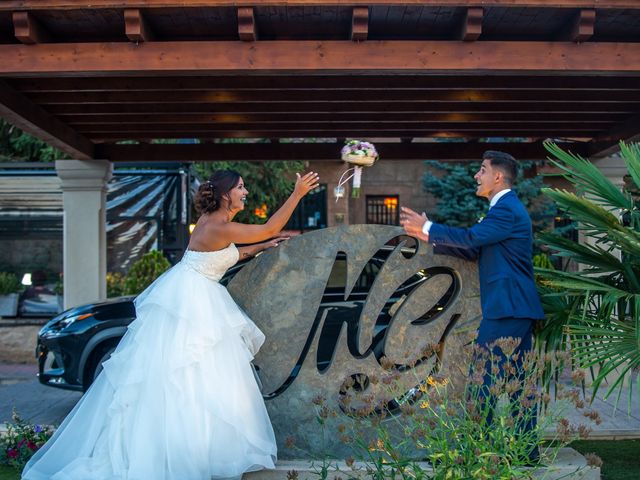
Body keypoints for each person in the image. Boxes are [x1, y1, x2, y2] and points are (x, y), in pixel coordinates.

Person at [22, 169, 320, 480]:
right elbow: (270, 226)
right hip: (194, 301)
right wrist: (298, 193)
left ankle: (198, 446)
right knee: (192, 373)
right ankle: (187, 450)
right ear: (224, 194)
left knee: (194, 376)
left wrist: (257, 249)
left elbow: (216, 257)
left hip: (191, 290)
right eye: (241, 188)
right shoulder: (219, 226)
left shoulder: (212, 225)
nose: (246, 192)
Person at [400, 150, 544, 459]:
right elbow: (474, 250)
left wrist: (428, 228)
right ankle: (525, 453)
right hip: (515, 308)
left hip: (508, 308)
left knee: (483, 381)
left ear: (498, 177)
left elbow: (472, 238)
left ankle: (480, 450)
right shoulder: (504, 209)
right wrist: (430, 236)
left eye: (482, 170)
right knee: (517, 382)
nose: (476, 176)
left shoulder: (506, 209)